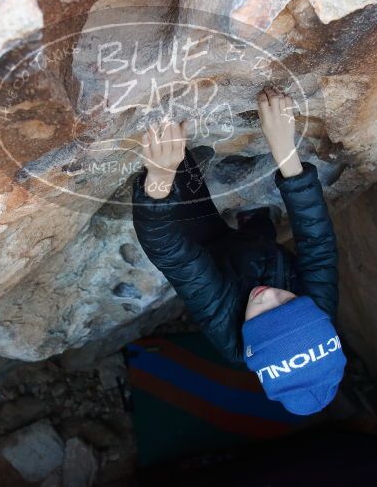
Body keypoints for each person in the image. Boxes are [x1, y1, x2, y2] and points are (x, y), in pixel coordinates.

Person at [131, 88, 346, 415]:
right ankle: (255, 221)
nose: (268, 296)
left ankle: (245, 219)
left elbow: (172, 254)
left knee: (176, 166)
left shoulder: (227, 330)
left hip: (213, 258)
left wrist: (159, 179)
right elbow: (317, 242)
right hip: (259, 253)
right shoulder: (316, 310)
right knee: (259, 232)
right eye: (288, 300)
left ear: (252, 345)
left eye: (264, 317)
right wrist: (284, 149)